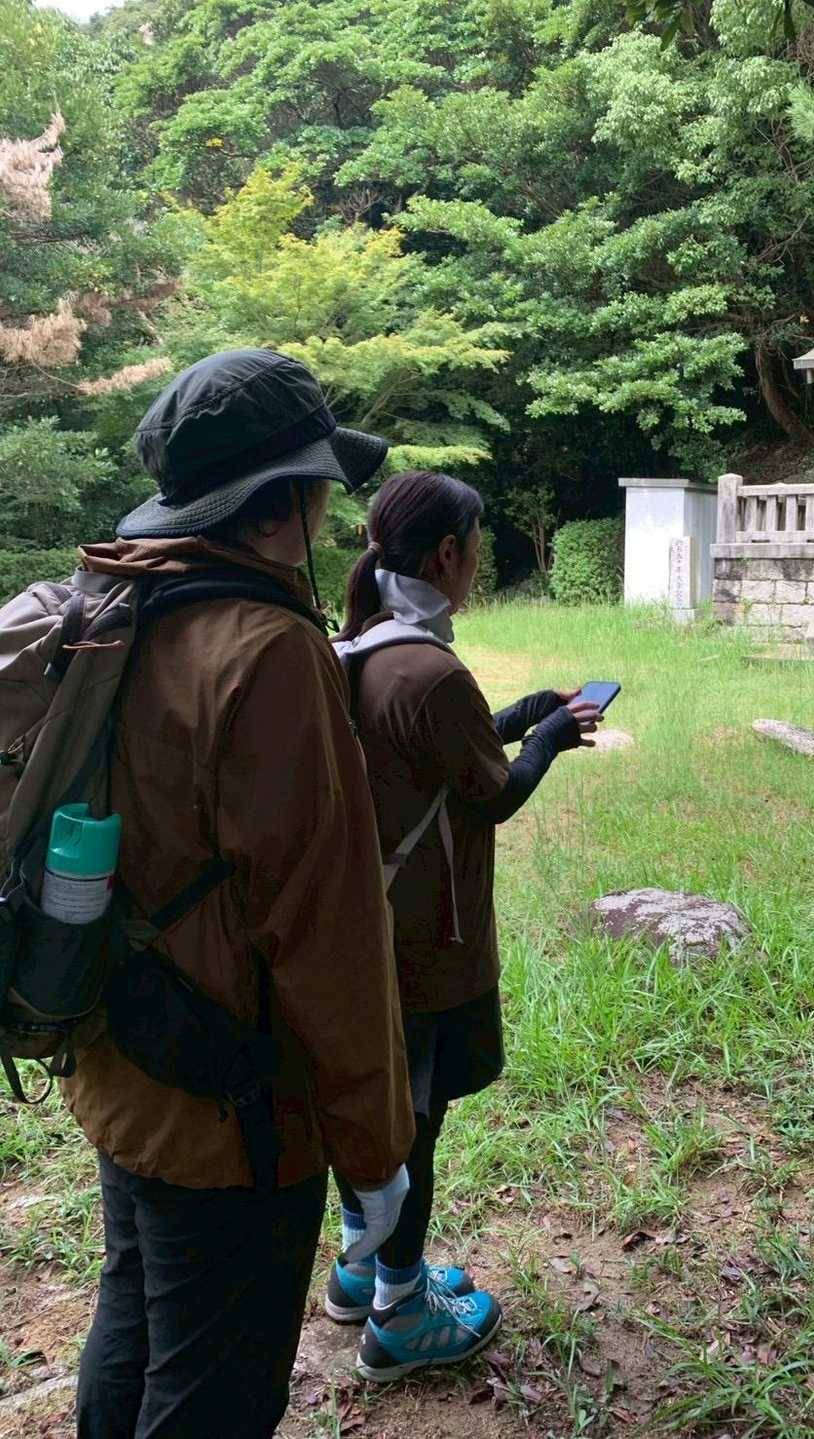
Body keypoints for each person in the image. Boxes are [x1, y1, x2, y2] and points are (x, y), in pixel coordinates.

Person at [65, 349, 415, 1439]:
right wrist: (376, 1150)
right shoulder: (265, 650)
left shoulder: (122, 598)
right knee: (211, 1386)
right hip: (234, 1110)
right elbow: (327, 930)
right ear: (284, 502)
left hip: (122, 1054)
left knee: (134, 1318)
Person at [327, 469, 602, 1382]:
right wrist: (548, 741)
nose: (477, 564)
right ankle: (401, 1311)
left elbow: (428, 754)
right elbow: (491, 795)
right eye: (477, 549)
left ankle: (359, 1268)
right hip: (424, 944)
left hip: (361, 934)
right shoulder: (431, 667)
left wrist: (523, 713)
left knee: (373, 1109)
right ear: (448, 553)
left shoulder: (362, 644)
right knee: (413, 1125)